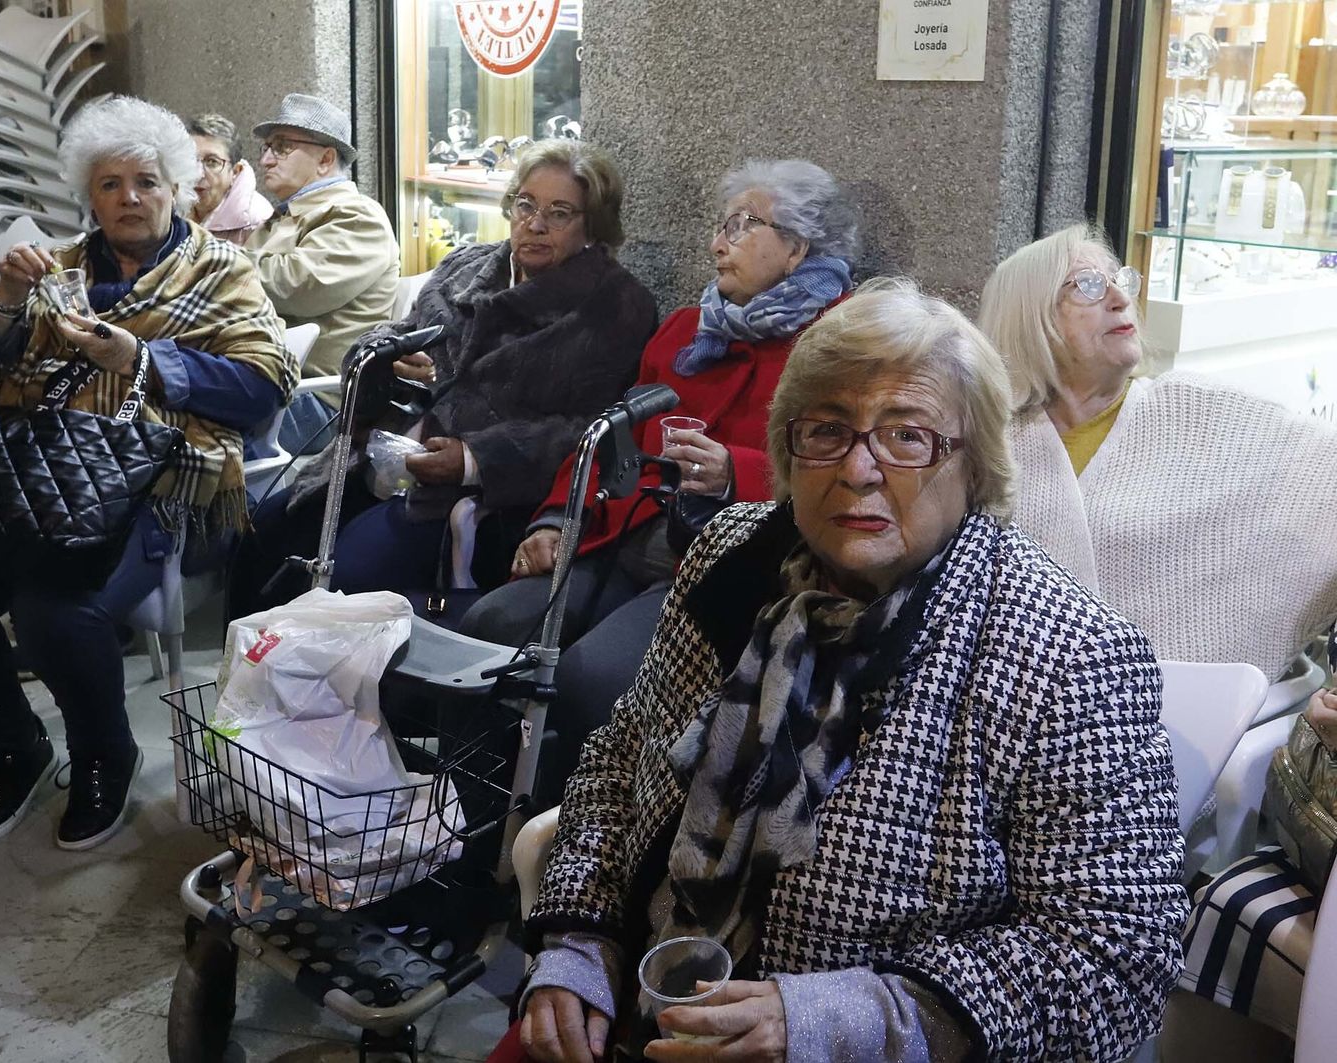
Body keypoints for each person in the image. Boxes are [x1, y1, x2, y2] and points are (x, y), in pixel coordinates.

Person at [503, 280, 1186, 1063]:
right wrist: (579, 940)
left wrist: (844, 1019)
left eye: (907, 435)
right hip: (640, 1012)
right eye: (827, 431)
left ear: (976, 466)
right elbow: (622, 758)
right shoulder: (734, 557)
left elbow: (1115, 957)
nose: (860, 469)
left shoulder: (1068, 654)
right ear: (789, 451)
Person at [0, 96, 295, 852]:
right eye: (110, 185)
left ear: (177, 187)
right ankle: (14, 746)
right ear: (91, 195)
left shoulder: (221, 271)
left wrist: (139, 359)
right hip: (31, 478)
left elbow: (264, 384)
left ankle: (105, 755)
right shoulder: (57, 269)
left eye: (146, 181)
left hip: (159, 485)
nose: (129, 198)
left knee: (56, 604)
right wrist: (6, 302)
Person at [460, 158, 858, 806]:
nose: (716, 242)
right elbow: (609, 436)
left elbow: (842, 469)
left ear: (797, 249)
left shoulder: (838, 348)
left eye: (742, 225)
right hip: (623, 532)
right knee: (493, 624)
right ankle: (471, 829)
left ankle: (570, 856)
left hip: (719, 564)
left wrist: (738, 471)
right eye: (720, 224)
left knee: (591, 679)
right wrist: (554, 519)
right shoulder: (686, 330)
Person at [228, 138, 658, 619]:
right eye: (525, 205)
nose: (534, 225)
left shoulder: (616, 308)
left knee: (344, 579)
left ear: (593, 226)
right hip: (374, 460)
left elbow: (593, 431)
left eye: (559, 213)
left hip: (474, 499)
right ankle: (254, 685)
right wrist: (386, 360)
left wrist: (475, 459)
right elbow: (397, 335)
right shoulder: (467, 266)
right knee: (259, 537)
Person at [979, 222, 1337, 683]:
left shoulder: (1196, 409)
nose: (1119, 298)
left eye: (1121, 280)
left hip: (1194, 714)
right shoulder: (987, 445)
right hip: (1021, 713)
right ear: (1031, 319)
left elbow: (1325, 479)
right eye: (1088, 286)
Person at [242, 92, 399, 452]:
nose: (265, 159)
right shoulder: (283, 216)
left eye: (281, 147)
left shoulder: (357, 216)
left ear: (326, 158)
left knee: (189, 428)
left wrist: (219, 261)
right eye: (267, 146)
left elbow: (296, 285)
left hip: (315, 399)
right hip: (264, 374)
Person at [186, 113, 273, 245]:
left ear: (235, 171)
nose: (198, 174)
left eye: (211, 162)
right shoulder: (171, 206)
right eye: (190, 159)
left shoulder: (258, 221)